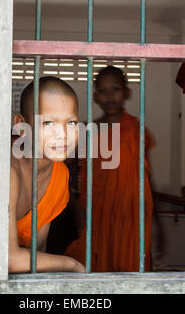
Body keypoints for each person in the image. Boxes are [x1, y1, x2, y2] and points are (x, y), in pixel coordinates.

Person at [64, 65, 161, 272]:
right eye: (103, 90)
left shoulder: (136, 130)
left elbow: (147, 178)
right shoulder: (87, 133)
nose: (109, 95)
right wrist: (78, 214)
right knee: (96, 273)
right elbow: (69, 179)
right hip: (97, 216)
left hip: (131, 218)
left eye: (115, 89)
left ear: (126, 93)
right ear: (95, 96)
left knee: (132, 273)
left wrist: (158, 225)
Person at [9, 76, 86, 273]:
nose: (63, 134)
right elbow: (8, 258)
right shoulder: (8, 171)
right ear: (21, 126)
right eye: (49, 123)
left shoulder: (59, 174)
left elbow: (37, 251)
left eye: (71, 123)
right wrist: (72, 264)